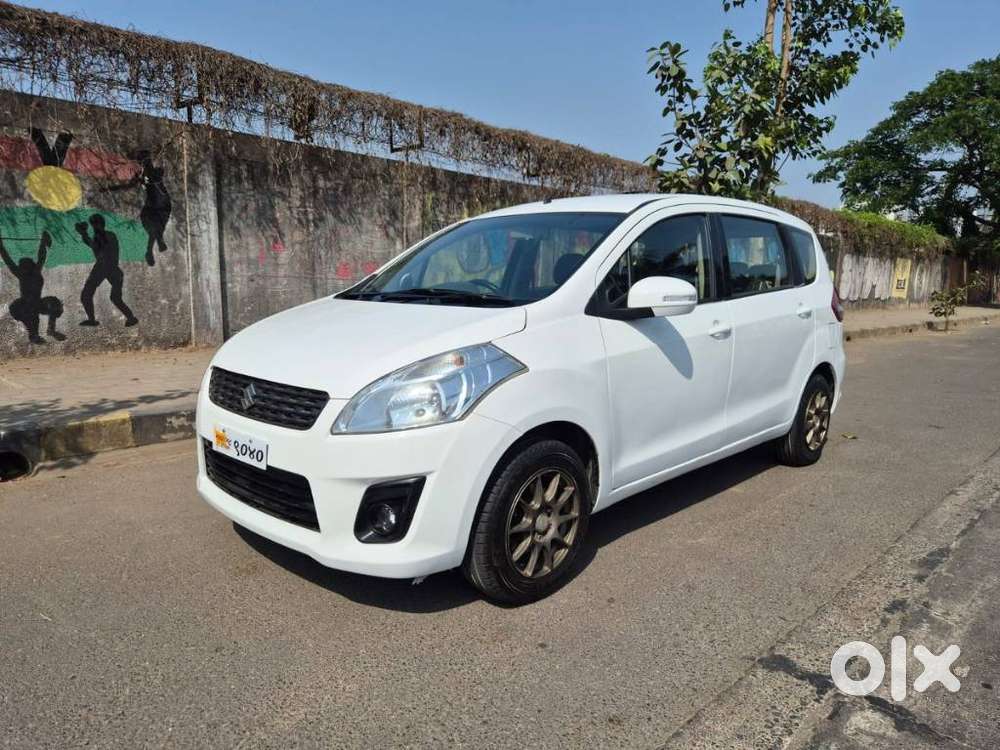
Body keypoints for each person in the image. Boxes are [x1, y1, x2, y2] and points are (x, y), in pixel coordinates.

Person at [103, 149, 172, 267]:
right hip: (155, 204)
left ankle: (155, 245)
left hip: (161, 203)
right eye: (142, 161)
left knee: (153, 223)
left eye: (144, 161)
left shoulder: (153, 172)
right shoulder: (142, 175)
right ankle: (157, 242)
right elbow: (127, 186)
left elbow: (158, 173)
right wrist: (110, 189)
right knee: (150, 222)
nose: (143, 163)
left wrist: (144, 178)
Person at [0, 230, 65, 344]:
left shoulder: (34, 272)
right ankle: (34, 335)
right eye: (22, 267)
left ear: (30, 266)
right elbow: (7, 259)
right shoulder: (23, 273)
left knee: (55, 303)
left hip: (35, 304)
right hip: (22, 307)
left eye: (24, 266)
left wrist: (43, 242)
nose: (22, 268)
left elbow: (41, 257)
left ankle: (50, 330)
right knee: (32, 313)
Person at [75, 214, 139, 327]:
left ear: (100, 224)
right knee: (115, 298)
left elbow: (97, 245)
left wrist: (84, 233)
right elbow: (94, 245)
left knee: (86, 295)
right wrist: (84, 234)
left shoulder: (105, 235)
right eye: (93, 225)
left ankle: (92, 320)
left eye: (94, 225)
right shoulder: (108, 235)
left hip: (103, 267)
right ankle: (131, 317)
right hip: (114, 270)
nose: (94, 227)